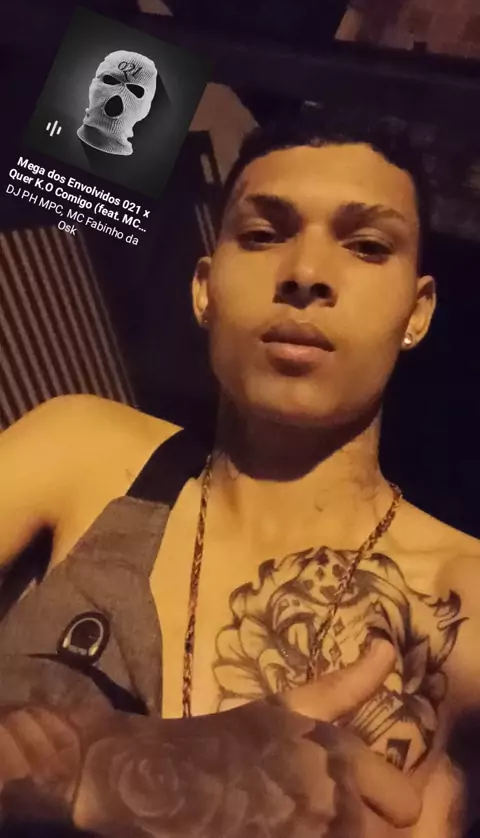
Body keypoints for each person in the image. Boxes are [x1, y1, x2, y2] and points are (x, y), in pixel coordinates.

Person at [0, 109, 479, 837]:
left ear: (418, 313)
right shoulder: (80, 452)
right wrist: (106, 770)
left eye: (367, 245)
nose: (306, 274)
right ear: (205, 288)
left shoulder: (461, 596)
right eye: (261, 235)